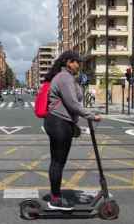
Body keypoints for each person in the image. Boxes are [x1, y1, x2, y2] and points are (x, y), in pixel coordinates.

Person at [43, 51, 101, 210]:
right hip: (58, 123)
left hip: (61, 122)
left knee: (58, 161)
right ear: (69, 62)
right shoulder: (64, 78)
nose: (79, 65)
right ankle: (55, 200)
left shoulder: (68, 78)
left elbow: (73, 103)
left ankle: (55, 196)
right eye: (77, 62)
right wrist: (91, 115)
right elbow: (72, 104)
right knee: (58, 162)